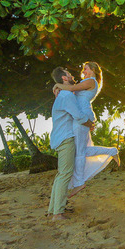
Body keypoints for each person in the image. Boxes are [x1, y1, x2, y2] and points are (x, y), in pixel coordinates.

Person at [51, 61, 121, 195]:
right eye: (83, 69)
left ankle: (78, 183)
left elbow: (71, 89)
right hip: (83, 116)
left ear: (94, 70)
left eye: (86, 69)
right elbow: (70, 91)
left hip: (82, 117)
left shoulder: (91, 81)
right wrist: (60, 89)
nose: (83, 71)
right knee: (84, 151)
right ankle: (112, 151)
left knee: (80, 152)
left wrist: (57, 85)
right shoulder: (85, 83)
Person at [47, 66, 92, 220]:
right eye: (69, 74)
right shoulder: (66, 95)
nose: (72, 75)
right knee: (65, 174)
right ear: (64, 78)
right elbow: (78, 116)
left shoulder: (64, 94)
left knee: (61, 174)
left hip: (61, 137)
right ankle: (57, 214)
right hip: (66, 138)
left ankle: (54, 210)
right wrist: (90, 124)